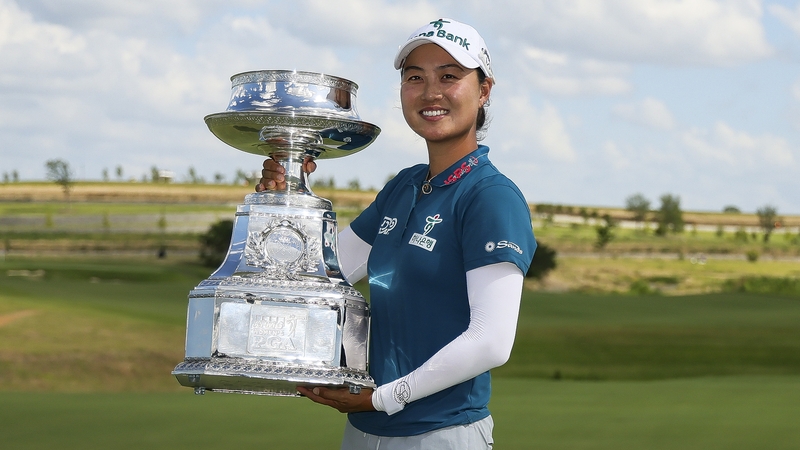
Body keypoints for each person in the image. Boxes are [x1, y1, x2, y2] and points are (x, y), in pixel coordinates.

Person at [257, 18, 537, 450]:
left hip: (442, 433)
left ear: (483, 90)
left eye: (449, 76)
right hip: (366, 431)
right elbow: (321, 276)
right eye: (414, 78)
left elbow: (491, 342)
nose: (430, 92)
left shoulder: (490, 197)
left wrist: (382, 397)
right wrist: (285, 201)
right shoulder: (404, 186)